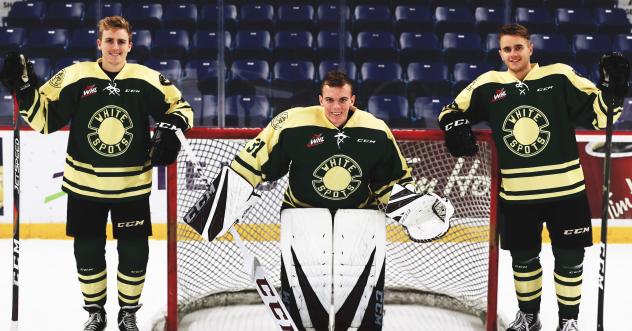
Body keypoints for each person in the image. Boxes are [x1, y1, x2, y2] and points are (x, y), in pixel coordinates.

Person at [183, 70, 452, 330]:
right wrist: (226, 199)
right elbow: (255, 161)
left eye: (343, 100)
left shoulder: (376, 130)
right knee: (306, 313)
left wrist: (414, 209)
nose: (336, 107)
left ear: (352, 100)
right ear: (320, 99)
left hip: (361, 222)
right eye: (330, 100)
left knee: (360, 314)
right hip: (303, 219)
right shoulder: (292, 122)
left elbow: (390, 181)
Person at [0, 16, 193, 331]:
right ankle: (96, 313)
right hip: (84, 186)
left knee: (134, 253)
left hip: (131, 186)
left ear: (130, 45)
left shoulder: (145, 79)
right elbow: (44, 120)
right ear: (99, 43)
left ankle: (128, 313)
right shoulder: (76, 75)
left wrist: (173, 126)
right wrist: (24, 89)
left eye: (120, 41)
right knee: (87, 252)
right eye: (109, 41)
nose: (114, 48)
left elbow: (182, 107)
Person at [438, 23, 629, 331]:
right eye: (507, 49)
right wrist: (453, 126)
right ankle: (529, 317)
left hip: (565, 190)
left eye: (518, 47)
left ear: (530, 48)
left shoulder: (559, 76)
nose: (513, 54)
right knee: (523, 260)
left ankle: (568, 321)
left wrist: (614, 89)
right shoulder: (488, 85)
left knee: (570, 260)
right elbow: (450, 111)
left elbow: (600, 117)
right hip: (517, 194)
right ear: (500, 53)